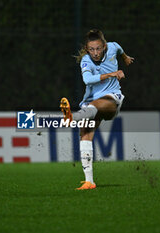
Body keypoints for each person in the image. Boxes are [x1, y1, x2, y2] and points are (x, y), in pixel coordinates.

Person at [60, 29, 134, 190]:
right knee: (85, 133)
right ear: (87, 49)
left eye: (98, 48)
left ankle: (73, 117)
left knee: (98, 104)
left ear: (105, 46)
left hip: (112, 98)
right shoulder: (86, 61)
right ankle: (89, 181)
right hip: (91, 102)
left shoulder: (113, 47)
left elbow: (119, 49)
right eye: (91, 49)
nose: (95, 53)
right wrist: (111, 74)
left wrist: (125, 57)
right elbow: (87, 80)